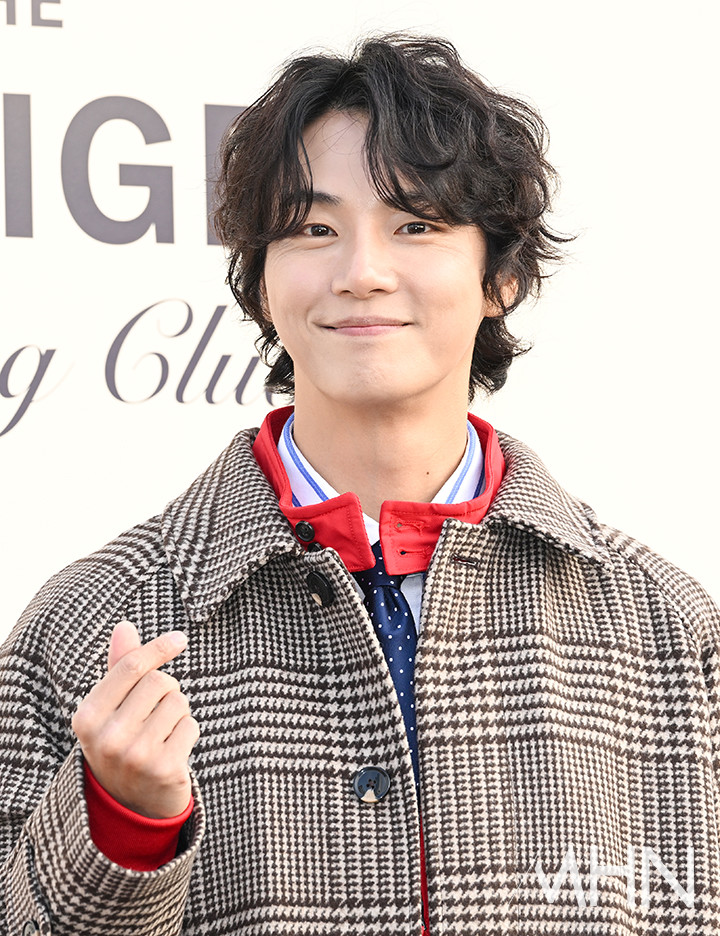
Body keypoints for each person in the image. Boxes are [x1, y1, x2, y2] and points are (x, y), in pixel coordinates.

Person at [1, 32, 719, 936]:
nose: (362, 273)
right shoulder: (91, 626)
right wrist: (124, 827)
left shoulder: (666, 632)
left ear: (500, 275)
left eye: (416, 225)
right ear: (260, 280)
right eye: (314, 229)